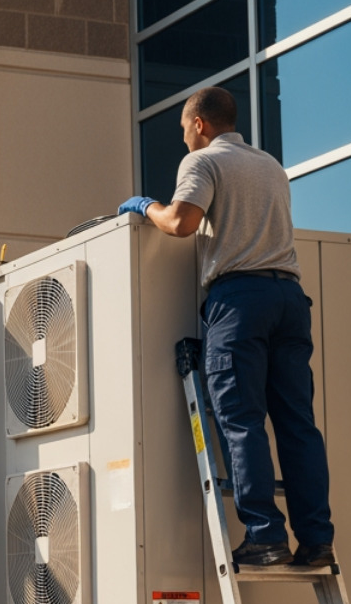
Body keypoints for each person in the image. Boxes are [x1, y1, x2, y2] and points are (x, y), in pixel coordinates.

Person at [117, 86, 334, 568]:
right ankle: (317, 540)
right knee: (298, 426)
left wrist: (143, 207)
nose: (184, 142)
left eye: (183, 131)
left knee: (241, 420)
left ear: (199, 124)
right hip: (290, 299)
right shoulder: (269, 165)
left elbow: (180, 223)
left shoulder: (203, 162)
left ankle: (265, 537)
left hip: (240, 301)